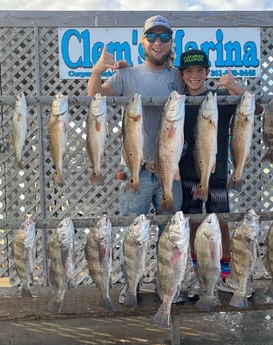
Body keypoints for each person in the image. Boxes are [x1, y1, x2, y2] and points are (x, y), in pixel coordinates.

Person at [87, 14, 184, 303]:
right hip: (136, 171)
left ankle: (168, 287)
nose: (158, 42)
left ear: (171, 43)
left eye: (164, 37)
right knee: (132, 233)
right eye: (152, 36)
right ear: (142, 41)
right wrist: (97, 71)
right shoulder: (125, 76)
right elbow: (95, 96)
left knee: (172, 234)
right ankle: (131, 286)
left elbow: (203, 91)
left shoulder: (180, 76)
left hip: (172, 171)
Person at [178, 49, 263, 297]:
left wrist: (235, 85)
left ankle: (225, 274)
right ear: (182, 75)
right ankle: (197, 274)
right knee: (193, 224)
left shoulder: (220, 98)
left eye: (199, 71)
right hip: (187, 173)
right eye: (189, 72)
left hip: (216, 173)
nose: (194, 76)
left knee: (221, 222)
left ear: (207, 73)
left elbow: (255, 110)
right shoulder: (178, 102)